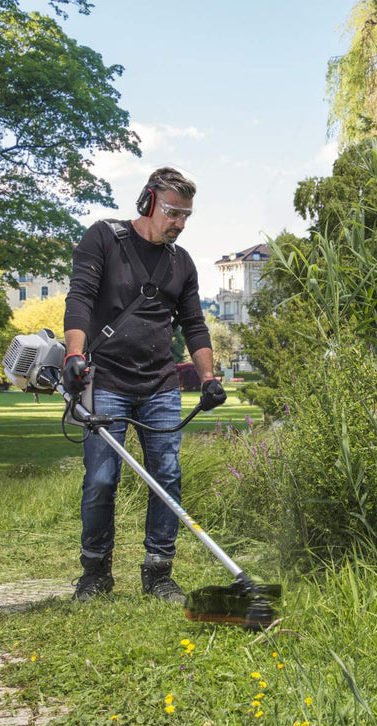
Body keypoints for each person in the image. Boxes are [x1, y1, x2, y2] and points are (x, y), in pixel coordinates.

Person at [62, 167, 223, 604]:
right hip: (106, 380)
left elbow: (194, 324)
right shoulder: (103, 238)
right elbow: (79, 298)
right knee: (100, 478)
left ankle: (158, 572)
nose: (180, 223)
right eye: (173, 212)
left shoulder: (181, 262)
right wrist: (75, 354)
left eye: (187, 216)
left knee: (166, 475)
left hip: (160, 385)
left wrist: (207, 377)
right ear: (148, 202)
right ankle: (95, 573)